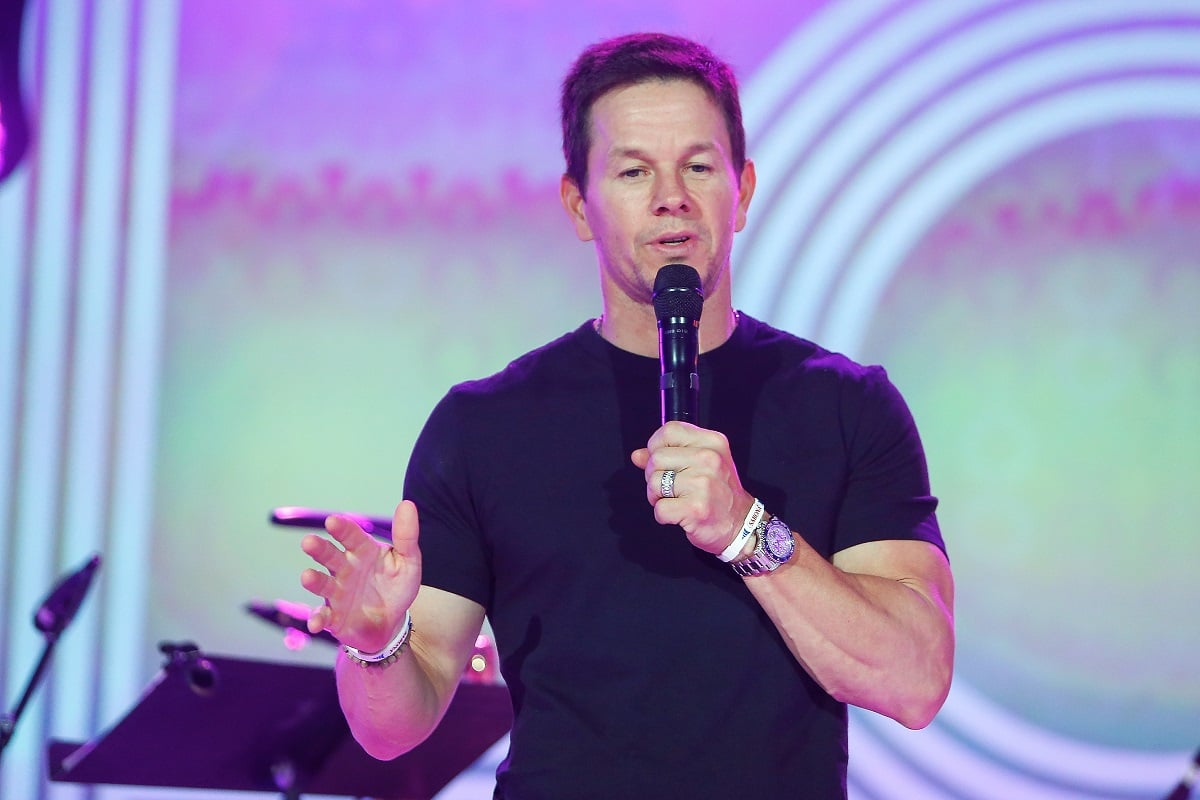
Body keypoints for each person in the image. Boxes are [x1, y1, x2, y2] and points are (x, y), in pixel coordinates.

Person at [299, 32, 954, 799]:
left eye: (698, 167)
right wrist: (377, 649)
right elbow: (392, 728)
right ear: (580, 205)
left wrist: (747, 532)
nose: (670, 196)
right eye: (634, 171)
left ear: (740, 192)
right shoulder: (485, 424)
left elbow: (915, 681)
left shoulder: (847, 404)